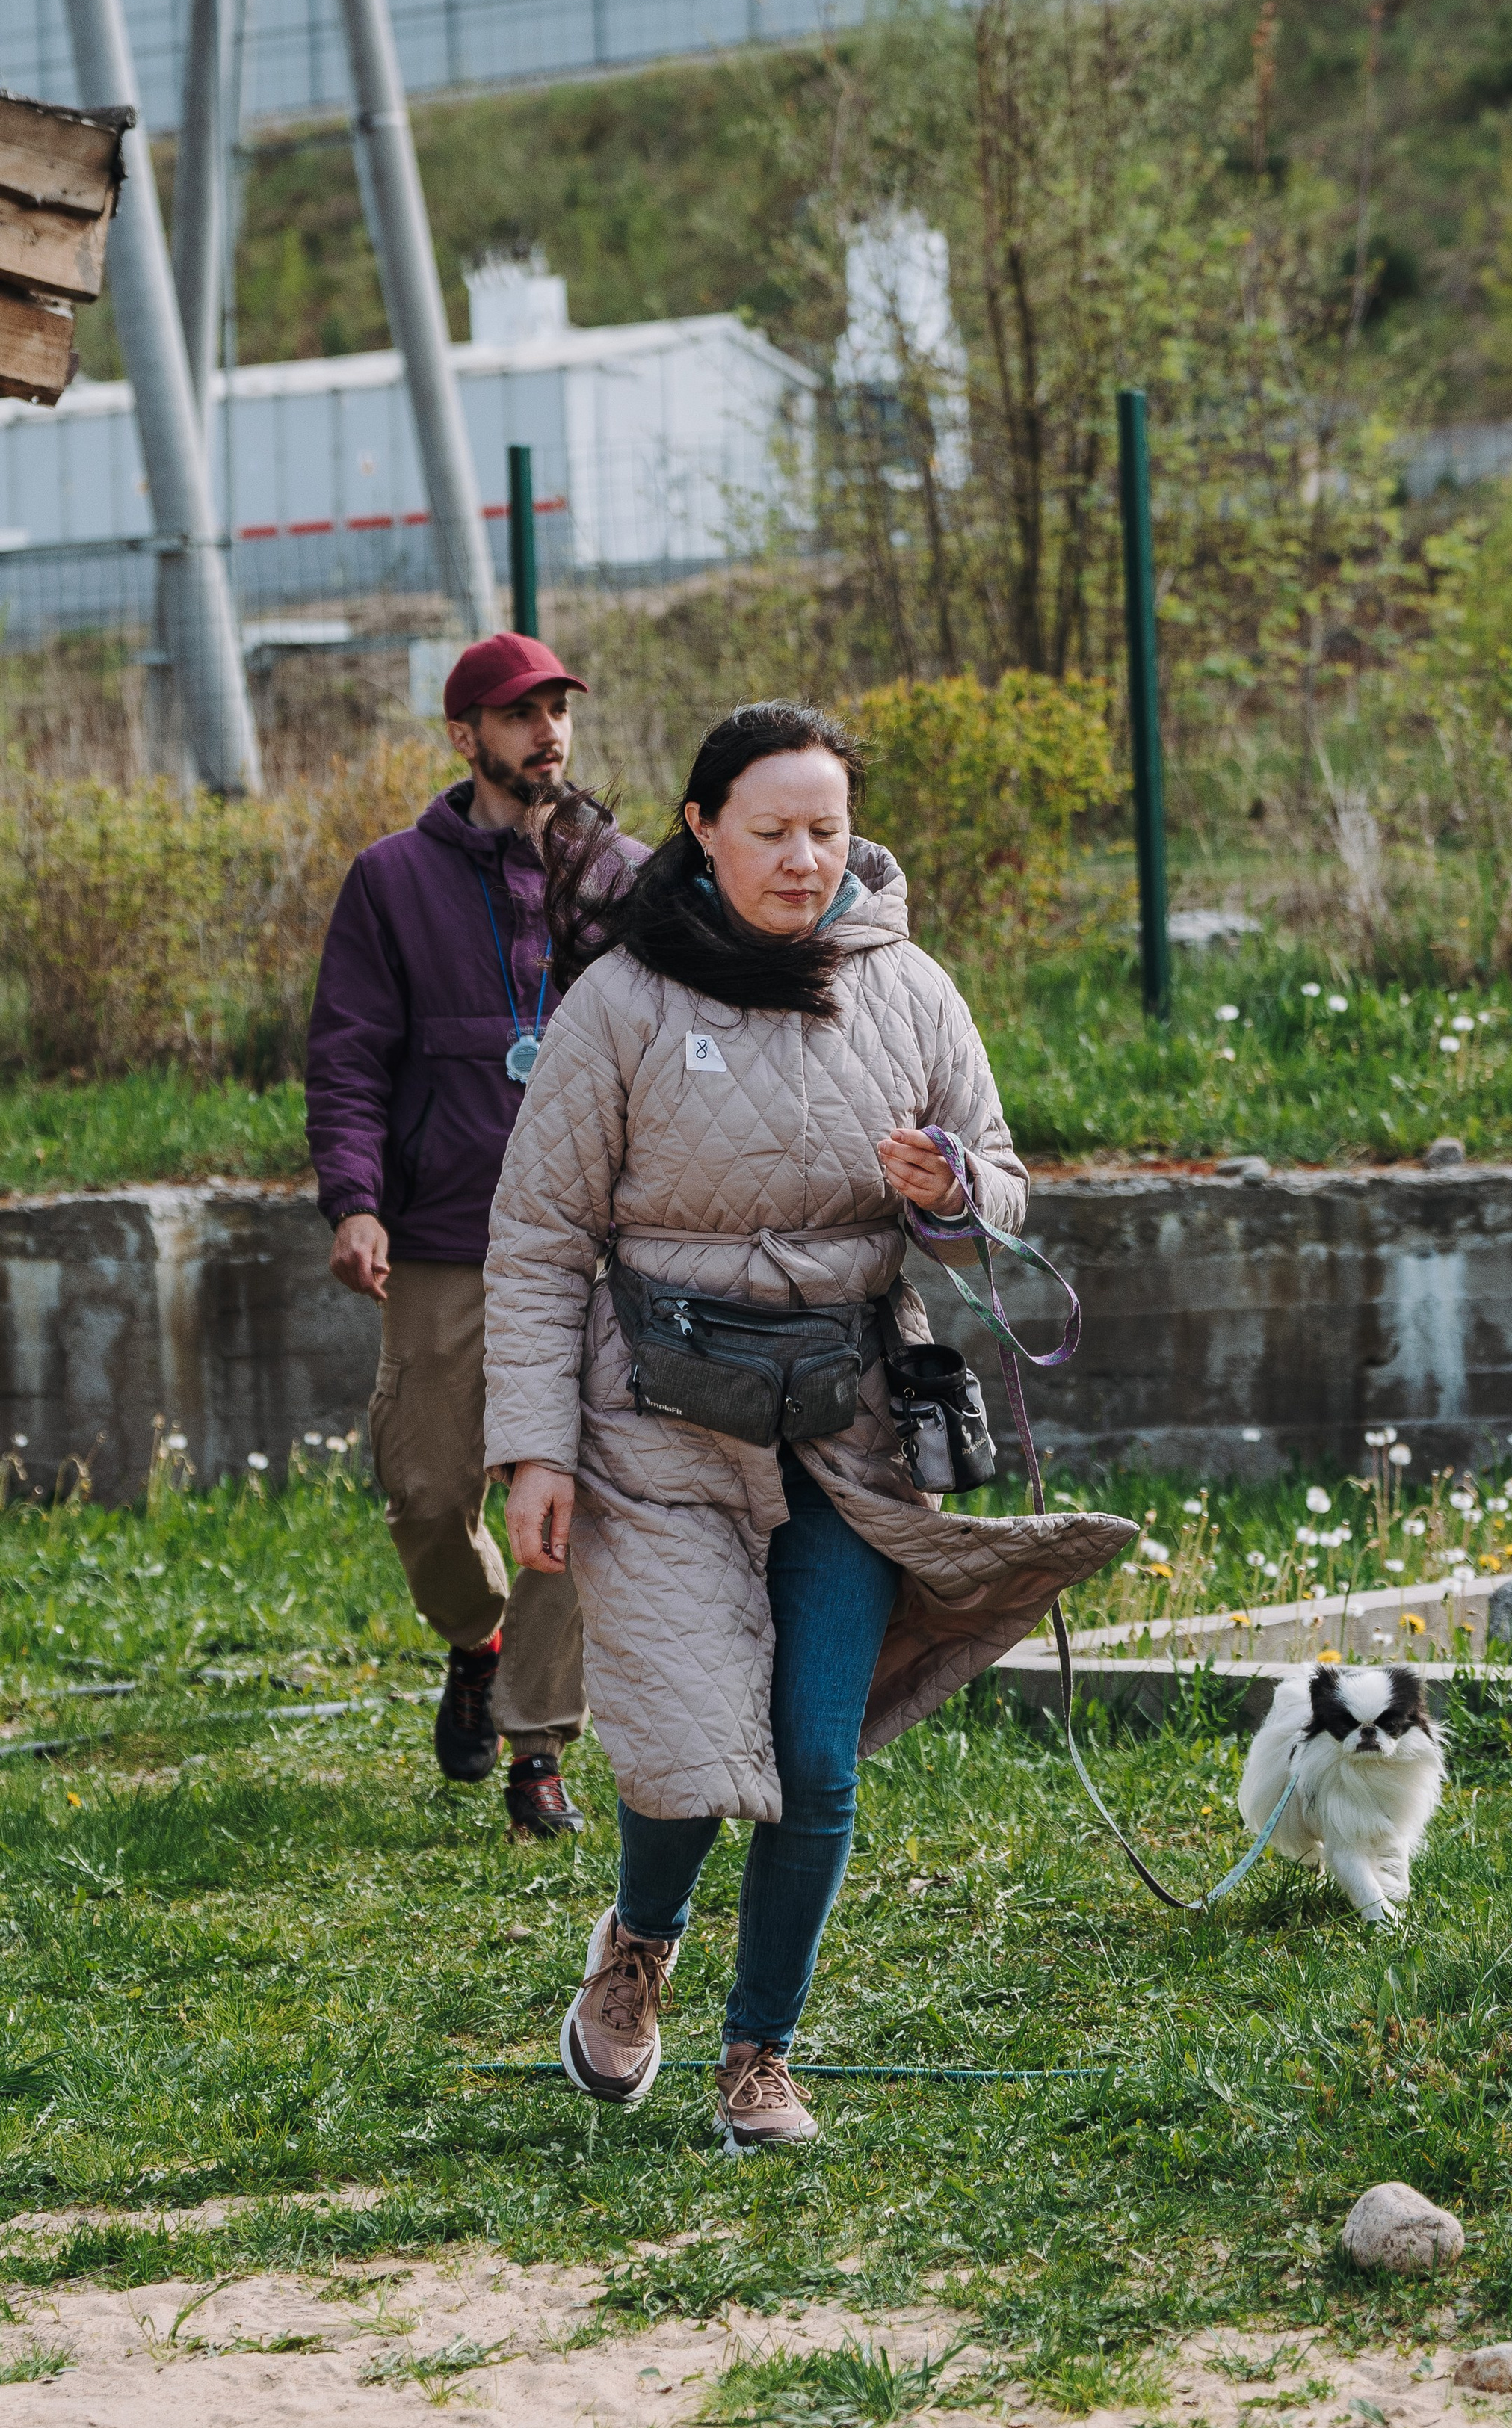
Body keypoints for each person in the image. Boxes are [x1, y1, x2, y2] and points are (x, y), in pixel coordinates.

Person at [482, 700, 1132, 2149]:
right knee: (687, 1744)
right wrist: (533, 1447)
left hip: (847, 1427)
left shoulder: (911, 987)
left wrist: (952, 1187)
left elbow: (1001, 1186)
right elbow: (536, 1238)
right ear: (701, 828)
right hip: (654, 1427)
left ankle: (758, 2050)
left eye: (825, 830)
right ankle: (637, 1943)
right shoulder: (621, 1002)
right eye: (769, 829)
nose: (800, 857)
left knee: (813, 1758)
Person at [307, 633, 640, 1840]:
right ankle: (474, 1638)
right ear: (465, 736)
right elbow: (349, 1054)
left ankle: (538, 1743)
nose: (548, 730)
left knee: (565, 1493)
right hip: (446, 1232)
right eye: (519, 713)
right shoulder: (390, 880)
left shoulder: (620, 877)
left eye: (558, 709)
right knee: (423, 1488)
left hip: (592, 1239)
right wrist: (355, 1198)